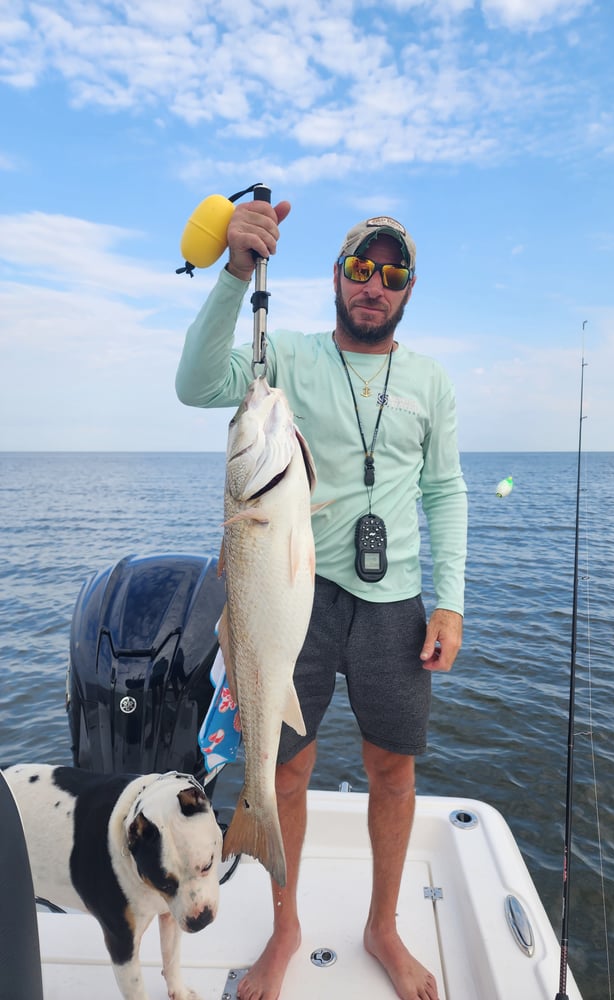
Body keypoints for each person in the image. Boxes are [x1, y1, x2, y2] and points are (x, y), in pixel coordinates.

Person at [175, 198, 468, 1000]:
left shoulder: (429, 382)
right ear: (336, 277)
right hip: (288, 600)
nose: (375, 284)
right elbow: (196, 382)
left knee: (393, 772)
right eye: (360, 268)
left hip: (395, 602)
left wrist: (452, 602)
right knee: (287, 772)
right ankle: (285, 930)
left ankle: (383, 926)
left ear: (409, 290)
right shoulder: (288, 359)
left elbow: (445, 491)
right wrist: (236, 271)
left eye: (392, 272)